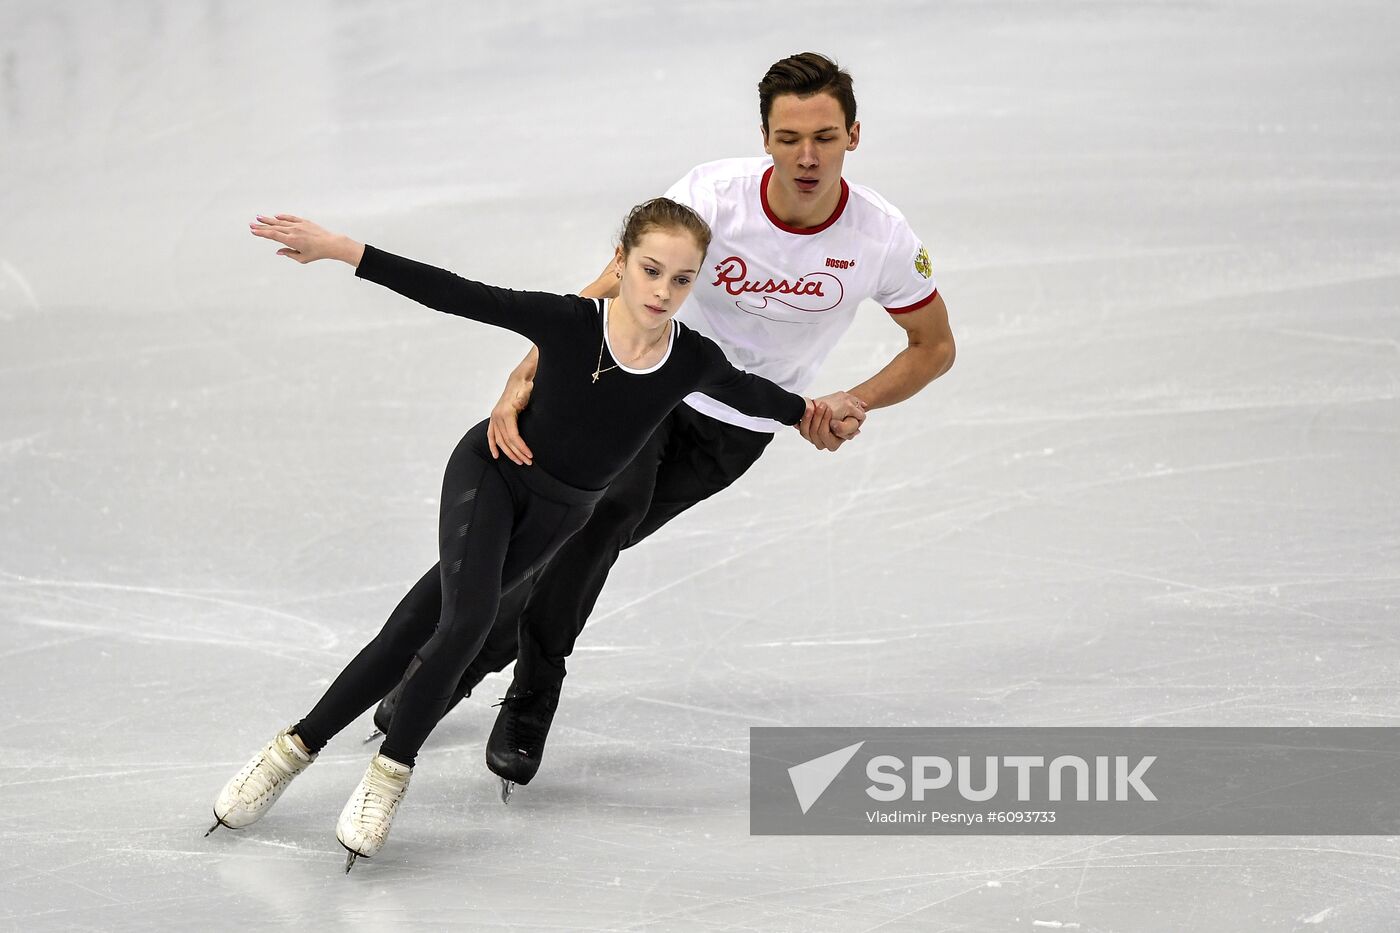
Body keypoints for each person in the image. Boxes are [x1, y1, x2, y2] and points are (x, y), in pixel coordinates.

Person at [371, 52, 957, 802]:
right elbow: (619, 281)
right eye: (788, 137)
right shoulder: (714, 194)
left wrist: (854, 399)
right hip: (643, 383)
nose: (806, 156)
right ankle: (518, 692)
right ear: (764, 137)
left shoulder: (881, 236)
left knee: (579, 541)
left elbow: (933, 347)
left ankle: (455, 667)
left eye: (825, 136)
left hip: (735, 428)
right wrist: (529, 368)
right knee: (593, 517)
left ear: (854, 135)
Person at [209, 199, 817, 871]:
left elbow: (750, 394)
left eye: (681, 279)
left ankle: (293, 747)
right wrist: (342, 247)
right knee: (468, 620)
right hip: (493, 473)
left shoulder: (688, 359)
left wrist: (812, 413)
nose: (662, 291)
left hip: (559, 516)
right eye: (650, 270)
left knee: (416, 624)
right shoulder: (568, 321)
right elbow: (456, 293)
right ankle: (379, 773)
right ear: (619, 264)